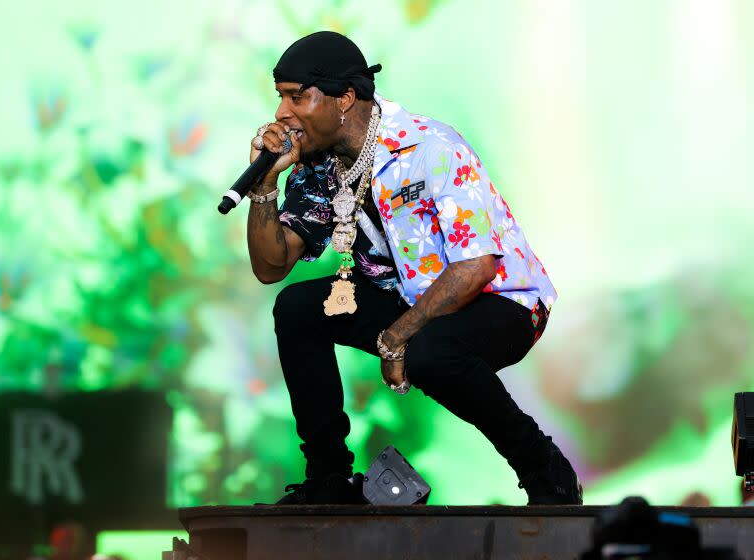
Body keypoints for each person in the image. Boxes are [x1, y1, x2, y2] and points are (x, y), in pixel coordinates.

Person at [245, 30, 581, 505]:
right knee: (297, 308)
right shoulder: (318, 166)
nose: (282, 113)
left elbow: (477, 265)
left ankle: (543, 467)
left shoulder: (428, 146)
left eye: (296, 97)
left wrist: (396, 337)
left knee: (430, 352)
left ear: (344, 98)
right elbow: (271, 266)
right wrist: (264, 184)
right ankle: (329, 478)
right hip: (403, 297)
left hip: (501, 301)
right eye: (280, 98)